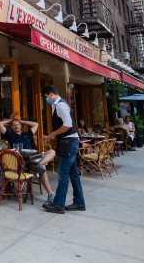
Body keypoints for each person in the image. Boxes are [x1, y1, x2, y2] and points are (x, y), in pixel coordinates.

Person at [42, 85, 85, 214]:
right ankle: (79, 202)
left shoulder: (60, 105)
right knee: (73, 174)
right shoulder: (57, 105)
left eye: (46, 97)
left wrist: (52, 134)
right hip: (69, 142)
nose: (46, 100)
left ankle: (58, 204)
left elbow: (67, 125)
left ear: (51, 95)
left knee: (63, 174)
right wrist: (52, 136)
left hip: (68, 143)